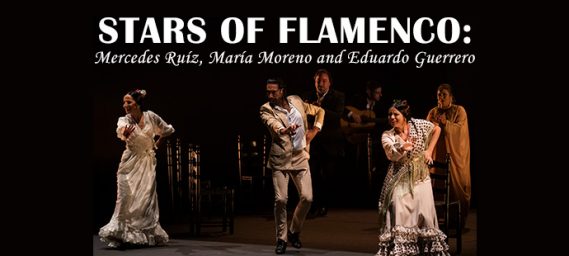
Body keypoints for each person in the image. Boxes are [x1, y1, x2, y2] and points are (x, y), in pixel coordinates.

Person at [99, 89, 175, 248]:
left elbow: (167, 130)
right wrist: (125, 134)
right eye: (124, 102)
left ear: (137, 103)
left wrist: (157, 143)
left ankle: (143, 235)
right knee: (125, 197)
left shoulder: (151, 117)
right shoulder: (124, 120)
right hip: (129, 163)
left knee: (144, 199)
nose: (125, 105)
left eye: (128, 102)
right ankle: (120, 234)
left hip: (146, 164)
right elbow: (122, 131)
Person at [376, 100, 449, 256]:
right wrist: (403, 147)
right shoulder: (387, 135)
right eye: (390, 114)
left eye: (396, 114)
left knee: (425, 213)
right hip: (399, 178)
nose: (392, 117)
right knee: (396, 203)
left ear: (404, 116)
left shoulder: (417, 125)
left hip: (420, 177)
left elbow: (437, 129)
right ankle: (402, 249)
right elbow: (391, 154)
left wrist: (429, 151)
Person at [260, 78, 324, 254]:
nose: (270, 95)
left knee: (308, 198)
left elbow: (319, 111)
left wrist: (314, 130)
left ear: (282, 91)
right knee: (281, 200)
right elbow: (272, 124)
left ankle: (294, 231)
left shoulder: (296, 100)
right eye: (268, 92)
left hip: (300, 157)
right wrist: (284, 130)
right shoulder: (266, 109)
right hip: (280, 159)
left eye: (273, 91)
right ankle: (281, 238)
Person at [426, 83, 471, 230]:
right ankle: (437, 222)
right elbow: (426, 132)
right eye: (439, 94)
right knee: (436, 187)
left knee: (456, 189)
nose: (441, 97)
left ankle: (456, 222)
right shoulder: (433, 112)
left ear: (451, 96)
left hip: (455, 158)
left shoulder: (459, 111)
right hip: (437, 156)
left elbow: (461, 133)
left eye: (444, 94)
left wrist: (447, 124)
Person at [301, 68, 345, 217]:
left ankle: (324, 205)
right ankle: (313, 206)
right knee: (312, 175)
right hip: (312, 143)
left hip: (330, 143)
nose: (321, 84)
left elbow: (337, 116)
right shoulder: (306, 96)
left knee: (327, 176)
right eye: (318, 81)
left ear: (329, 83)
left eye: (324, 81)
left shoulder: (338, 96)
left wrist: (319, 109)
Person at [343, 81, 390, 204]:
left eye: (380, 92)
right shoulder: (357, 99)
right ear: (369, 92)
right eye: (377, 92)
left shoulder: (380, 105)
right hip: (355, 138)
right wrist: (352, 114)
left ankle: (372, 196)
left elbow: (379, 122)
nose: (380, 95)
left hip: (371, 141)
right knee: (355, 165)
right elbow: (343, 109)